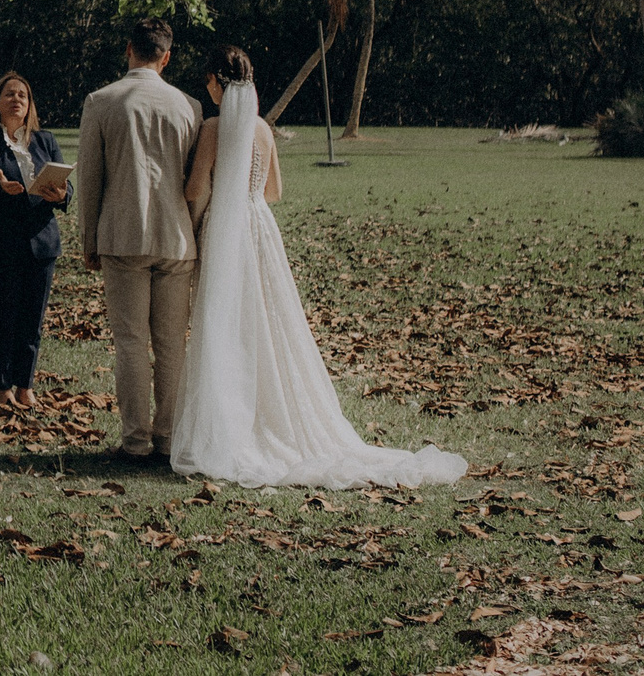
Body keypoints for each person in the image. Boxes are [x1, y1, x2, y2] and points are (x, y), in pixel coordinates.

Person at [171, 44, 466, 489]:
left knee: (225, 322)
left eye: (210, 81)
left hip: (224, 231)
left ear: (217, 82)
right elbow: (274, 192)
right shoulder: (264, 132)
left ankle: (228, 419)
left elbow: (194, 189)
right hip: (259, 230)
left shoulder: (212, 129)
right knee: (268, 321)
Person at [74, 16, 201, 462]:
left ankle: (135, 441)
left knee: (130, 341)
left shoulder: (102, 100)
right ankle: (168, 438)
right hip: (176, 237)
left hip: (123, 234)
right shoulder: (189, 106)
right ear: (166, 57)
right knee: (171, 344)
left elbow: (90, 177)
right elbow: (194, 180)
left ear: (128, 49)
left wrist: (88, 237)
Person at [0, 71, 70, 408]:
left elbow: (67, 190)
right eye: (9, 94)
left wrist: (60, 194)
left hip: (41, 241)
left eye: (23, 94)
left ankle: (26, 386)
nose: (17, 99)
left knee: (32, 318)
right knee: (2, 315)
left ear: (29, 104)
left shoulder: (45, 140)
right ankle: (4, 387)